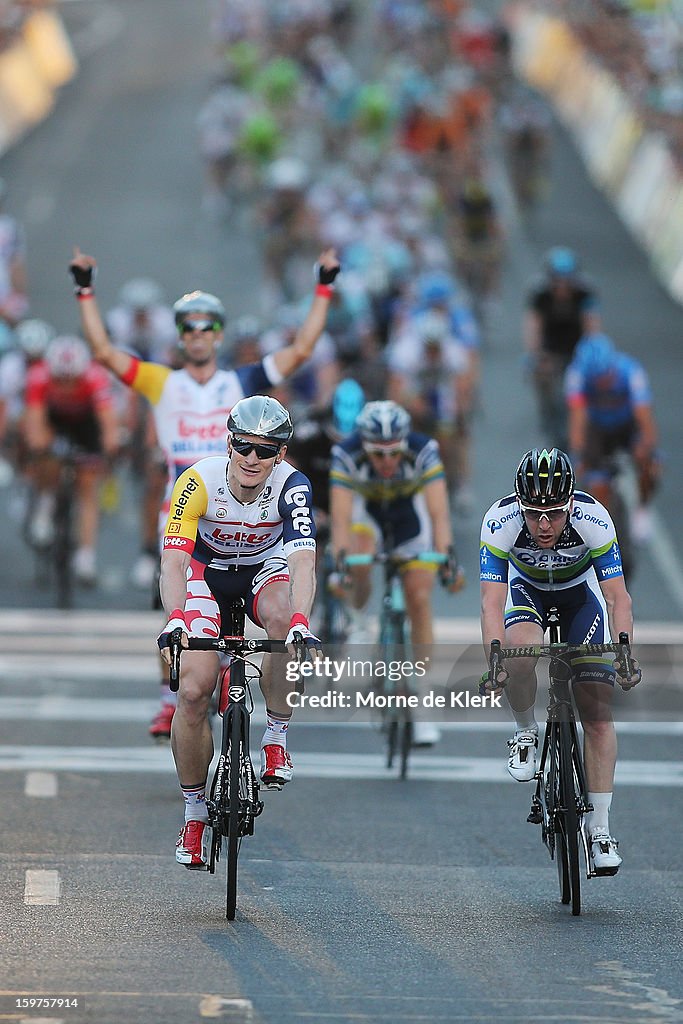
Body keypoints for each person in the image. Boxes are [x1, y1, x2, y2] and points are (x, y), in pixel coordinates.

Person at [69, 244, 340, 738]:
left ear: (218, 334)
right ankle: (169, 698)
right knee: (171, 603)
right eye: (189, 327)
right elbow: (105, 353)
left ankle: (254, 711)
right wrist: (85, 291)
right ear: (180, 336)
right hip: (185, 502)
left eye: (207, 326)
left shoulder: (243, 380)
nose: (198, 334)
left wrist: (323, 287)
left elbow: (301, 350)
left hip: (248, 506)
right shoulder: (161, 381)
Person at [156, 395, 321, 868]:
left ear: (281, 455)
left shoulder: (293, 488)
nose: (253, 458)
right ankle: (193, 814)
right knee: (192, 691)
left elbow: (303, 561)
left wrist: (302, 623)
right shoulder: (198, 481)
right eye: (244, 447)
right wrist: (175, 619)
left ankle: (275, 737)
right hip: (204, 575)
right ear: (229, 444)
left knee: (282, 619)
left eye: (266, 450)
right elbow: (173, 560)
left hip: (261, 571)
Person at [479, 447, 641, 874]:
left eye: (553, 512)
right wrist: (495, 657)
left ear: (571, 503)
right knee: (519, 652)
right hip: (526, 594)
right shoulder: (500, 521)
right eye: (533, 513)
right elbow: (491, 604)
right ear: (519, 505)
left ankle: (600, 830)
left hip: (579, 599)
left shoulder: (594, 518)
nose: (544, 524)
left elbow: (616, 596)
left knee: (598, 711)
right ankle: (525, 733)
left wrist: (624, 650)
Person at [329, 399, 465, 746]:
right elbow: (342, 518)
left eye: (393, 454)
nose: (387, 461)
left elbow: (438, 516)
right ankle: (359, 621)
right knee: (358, 557)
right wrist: (343, 562)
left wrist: (447, 557)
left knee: (419, 596)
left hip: (409, 520)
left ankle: (420, 697)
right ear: (364, 446)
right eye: (378, 454)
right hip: (368, 517)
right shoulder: (346, 454)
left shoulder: (424, 451)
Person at [22, 335, 120, 583]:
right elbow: (35, 421)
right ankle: (45, 504)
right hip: (54, 420)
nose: (66, 385)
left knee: (87, 487)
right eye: (60, 380)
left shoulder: (95, 378)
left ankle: (85, 557)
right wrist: (40, 448)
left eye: (71, 380)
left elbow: (107, 422)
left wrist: (110, 446)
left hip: (85, 423)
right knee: (46, 459)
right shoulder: (38, 376)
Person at [565, 333, 659, 543]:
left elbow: (644, 415)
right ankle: (604, 529)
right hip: (597, 428)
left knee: (649, 464)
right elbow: (577, 418)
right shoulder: (576, 375)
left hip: (627, 425)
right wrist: (579, 455)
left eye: (604, 378)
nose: (600, 384)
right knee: (597, 484)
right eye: (595, 380)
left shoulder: (631, 371)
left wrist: (648, 447)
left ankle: (642, 508)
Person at [524, 247, 598, 447]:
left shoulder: (584, 293)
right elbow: (534, 325)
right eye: (557, 281)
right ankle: (546, 409)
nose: (562, 286)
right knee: (542, 375)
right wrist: (535, 354)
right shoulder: (540, 294)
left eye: (567, 281)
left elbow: (592, 325)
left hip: (576, 346)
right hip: (551, 346)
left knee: (587, 380)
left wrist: (592, 353)